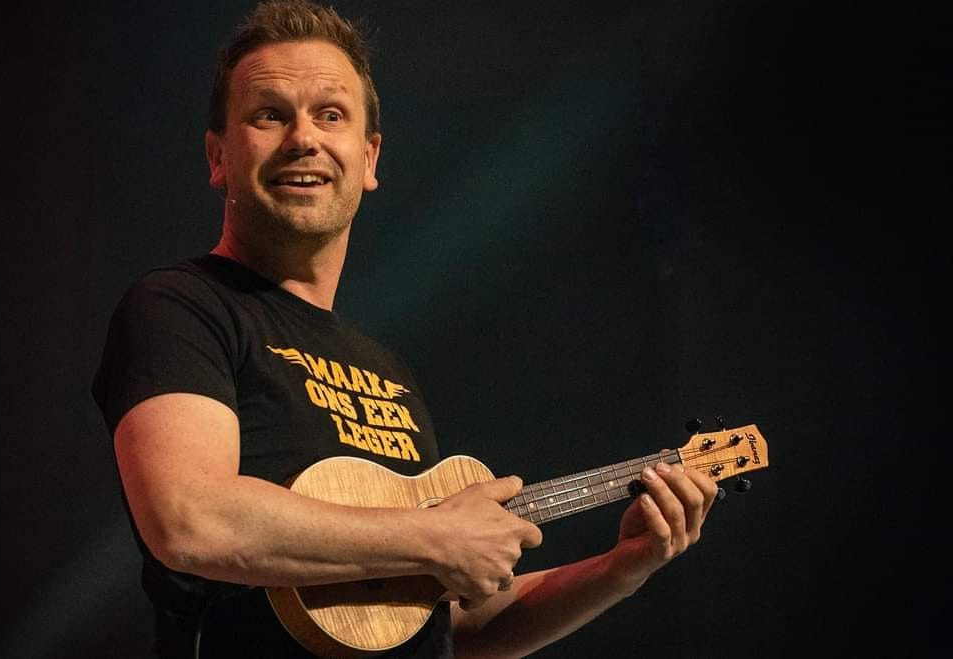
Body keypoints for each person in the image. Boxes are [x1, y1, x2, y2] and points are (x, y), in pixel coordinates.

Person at [92, 1, 719, 657]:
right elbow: (190, 518)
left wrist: (620, 569)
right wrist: (432, 536)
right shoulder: (181, 307)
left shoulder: (386, 371)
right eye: (270, 113)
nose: (303, 136)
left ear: (368, 158)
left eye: (329, 114)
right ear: (219, 155)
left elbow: (448, 626)